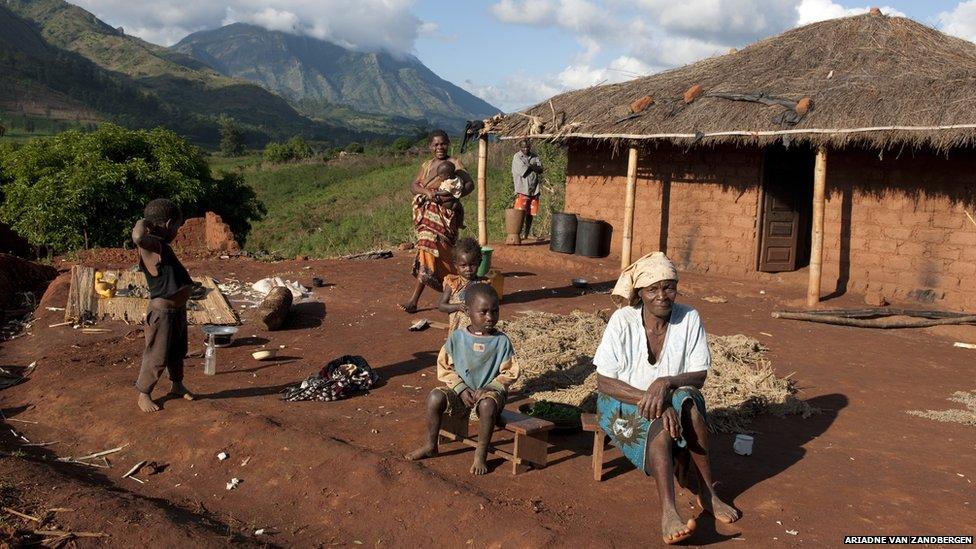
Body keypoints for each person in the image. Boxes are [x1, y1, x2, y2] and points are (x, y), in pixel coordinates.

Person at [593, 252, 739, 545]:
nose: (662, 296)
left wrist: (666, 382)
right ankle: (668, 513)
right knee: (658, 428)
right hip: (621, 401)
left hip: (670, 395)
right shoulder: (622, 321)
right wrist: (656, 403)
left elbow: (699, 375)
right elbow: (604, 382)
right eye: (653, 289)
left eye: (669, 287)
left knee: (691, 406)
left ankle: (707, 493)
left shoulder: (689, 318)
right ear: (640, 293)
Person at [405, 284, 520, 475]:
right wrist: (459, 387)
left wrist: (490, 387)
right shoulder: (457, 338)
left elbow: (511, 372)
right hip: (462, 393)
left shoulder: (502, 341)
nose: (490, 317)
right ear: (467, 311)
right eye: (483, 312)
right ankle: (430, 445)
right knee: (435, 397)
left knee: (486, 406)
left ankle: (481, 453)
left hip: (490, 395)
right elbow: (444, 366)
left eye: (495, 311)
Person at [132, 199, 195, 413]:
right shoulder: (152, 244)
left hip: (176, 310)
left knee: (177, 351)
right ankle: (144, 393)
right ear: (168, 224)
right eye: (177, 227)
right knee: (157, 355)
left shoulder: (161, 244)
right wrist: (144, 221)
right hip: (163, 312)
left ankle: (177, 384)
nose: (177, 232)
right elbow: (138, 236)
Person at [400, 130, 474, 313]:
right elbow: (414, 186)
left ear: (448, 144)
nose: (440, 147)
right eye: (436, 144)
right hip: (428, 216)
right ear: (430, 147)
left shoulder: (455, 162)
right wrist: (428, 193)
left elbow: (469, 184)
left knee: (447, 257)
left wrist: (453, 196)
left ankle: (458, 293)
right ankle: (414, 300)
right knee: (426, 249)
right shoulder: (427, 165)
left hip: (447, 218)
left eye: (443, 144)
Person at [438, 237, 484, 332]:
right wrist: (458, 306)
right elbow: (442, 306)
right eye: (463, 266)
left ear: (479, 263)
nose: (468, 269)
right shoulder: (453, 284)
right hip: (457, 331)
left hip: (476, 330)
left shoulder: (482, 285)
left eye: (472, 265)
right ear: (456, 265)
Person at [511, 139, 543, 241]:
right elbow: (523, 171)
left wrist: (530, 166)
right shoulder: (517, 157)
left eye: (527, 147)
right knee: (520, 214)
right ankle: (517, 234)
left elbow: (541, 169)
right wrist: (534, 167)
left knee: (530, 214)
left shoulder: (535, 156)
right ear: (520, 147)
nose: (525, 149)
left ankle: (526, 234)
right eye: (523, 147)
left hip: (534, 190)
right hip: (522, 189)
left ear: (530, 147)